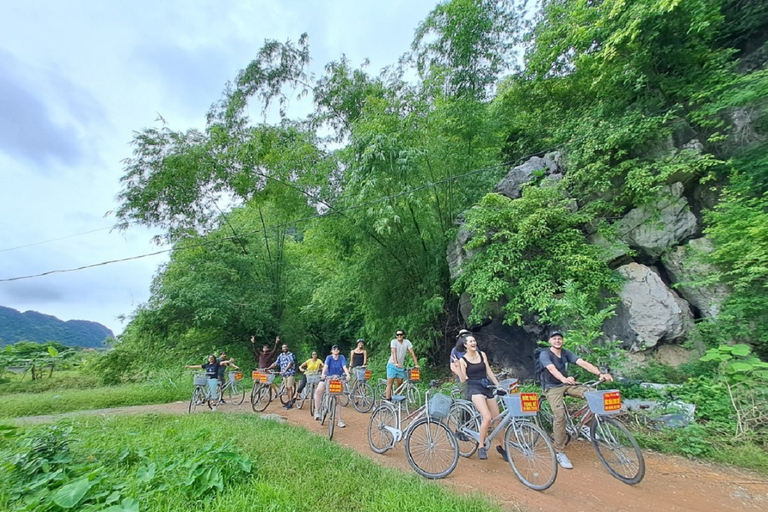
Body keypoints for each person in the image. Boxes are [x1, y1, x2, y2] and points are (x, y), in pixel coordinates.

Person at [539, 330, 613, 470]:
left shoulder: (566, 353)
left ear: (563, 341)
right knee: (560, 416)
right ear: (550, 341)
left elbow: (583, 363)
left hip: (567, 384)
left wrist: (600, 374)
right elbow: (551, 368)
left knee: (593, 394)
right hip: (552, 387)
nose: (557, 341)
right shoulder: (545, 354)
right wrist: (563, 379)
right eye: (554, 339)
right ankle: (559, 451)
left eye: (559, 338)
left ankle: (586, 426)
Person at [458, 334, 503, 460]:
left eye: (474, 340)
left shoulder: (482, 354)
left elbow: (488, 371)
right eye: (470, 341)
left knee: (498, 419)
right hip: (474, 387)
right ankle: (481, 446)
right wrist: (458, 368)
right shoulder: (463, 360)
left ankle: (502, 447)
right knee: (487, 417)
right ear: (465, 345)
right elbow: (463, 379)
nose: (473, 343)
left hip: (485, 386)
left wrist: (498, 385)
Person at [314, 345, 351, 427]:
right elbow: (325, 366)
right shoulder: (329, 358)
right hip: (327, 378)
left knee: (337, 400)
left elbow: (344, 367)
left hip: (337, 379)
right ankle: (317, 411)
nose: (336, 350)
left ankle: (339, 420)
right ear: (331, 351)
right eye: (334, 349)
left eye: (337, 349)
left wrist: (348, 375)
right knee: (318, 391)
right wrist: (323, 374)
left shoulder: (341, 357)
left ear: (339, 351)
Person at [384, 330, 419, 401]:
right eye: (397, 335)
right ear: (396, 336)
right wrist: (396, 363)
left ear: (403, 335)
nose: (399, 336)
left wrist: (416, 364)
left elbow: (412, 353)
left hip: (400, 366)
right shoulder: (393, 341)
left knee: (400, 383)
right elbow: (394, 352)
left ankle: (397, 399)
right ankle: (387, 400)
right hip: (392, 365)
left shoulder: (407, 342)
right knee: (390, 383)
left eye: (401, 334)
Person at [269, 343, 297, 409]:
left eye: (285, 347)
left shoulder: (291, 355)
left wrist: (285, 370)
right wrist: (269, 367)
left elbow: (290, 363)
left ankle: (290, 403)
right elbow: (276, 363)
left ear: (287, 348)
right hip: (284, 375)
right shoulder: (281, 355)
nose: (284, 349)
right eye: (283, 348)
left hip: (290, 373)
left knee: (289, 387)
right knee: (287, 388)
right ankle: (289, 401)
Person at [450, 330, 469, 399]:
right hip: (463, 379)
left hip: (476, 376)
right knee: (466, 398)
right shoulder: (455, 350)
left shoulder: (474, 348)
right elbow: (452, 367)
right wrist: (463, 376)